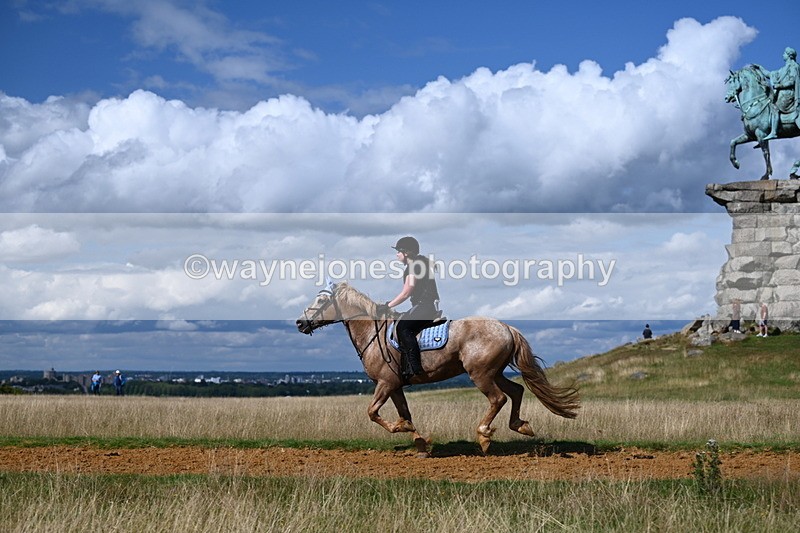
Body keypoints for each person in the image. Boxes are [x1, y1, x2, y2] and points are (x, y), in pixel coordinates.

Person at [377, 236, 440, 383]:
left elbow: (406, 292)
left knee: (402, 328)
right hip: (424, 306)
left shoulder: (414, 266)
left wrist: (388, 306)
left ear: (407, 253)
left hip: (425, 306)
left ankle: (415, 368)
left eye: (399, 251)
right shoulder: (418, 264)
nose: (397, 254)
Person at [763, 47, 800, 141]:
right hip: (782, 93)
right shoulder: (784, 68)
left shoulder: (794, 66)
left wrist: (779, 86)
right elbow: (770, 74)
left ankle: (774, 132)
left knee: (773, 107)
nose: (783, 54)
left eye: (784, 53)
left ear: (789, 55)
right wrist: (759, 68)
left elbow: (792, 81)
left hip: (788, 94)